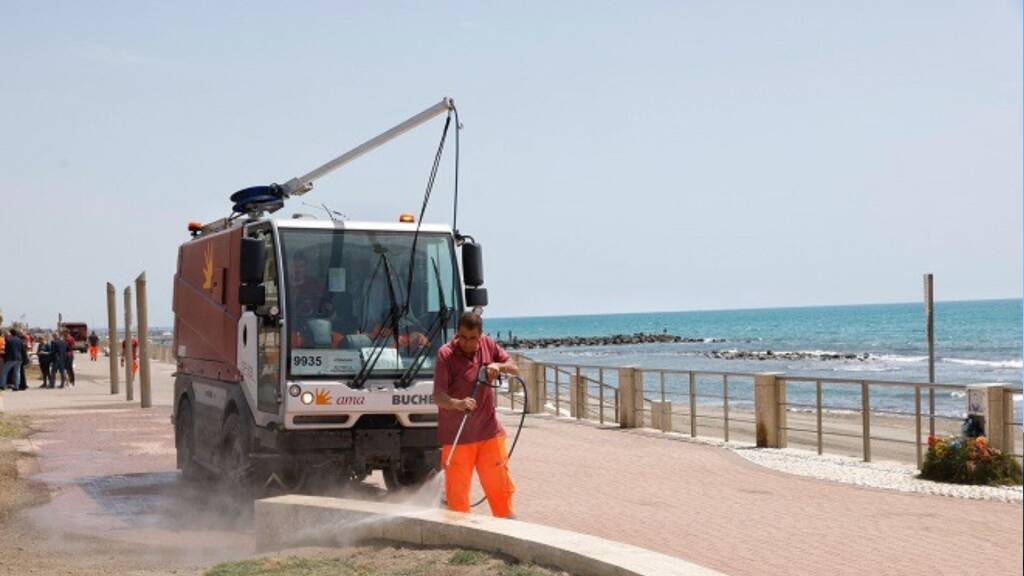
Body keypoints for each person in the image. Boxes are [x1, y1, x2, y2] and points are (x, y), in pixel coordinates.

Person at [433, 311, 519, 518]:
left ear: (481, 335)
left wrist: (498, 365)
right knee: (458, 500)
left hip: (489, 433)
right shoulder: (445, 355)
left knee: (501, 490)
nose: (467, 342)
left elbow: (514, 367)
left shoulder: (489, 345)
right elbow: (438, 396)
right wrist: (458, 403)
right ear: (457, 333)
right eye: (462, 337)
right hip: (457, 439)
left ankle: (510, 530)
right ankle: (460, 538)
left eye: (472, 338)